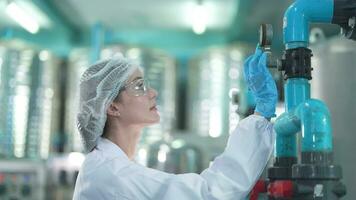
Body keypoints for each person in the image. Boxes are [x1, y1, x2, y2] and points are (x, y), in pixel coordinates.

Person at [73, 46, 277, 200]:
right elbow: (210, 194)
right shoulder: (113, 175)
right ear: (112, 107)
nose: (153, 93)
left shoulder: (109, 166)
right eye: (139, 86)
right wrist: (261, 114)